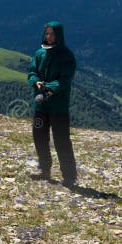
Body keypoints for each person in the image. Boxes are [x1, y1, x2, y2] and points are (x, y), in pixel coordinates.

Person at [27, 21, 77, 188]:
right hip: (41, 106)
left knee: (61, 140)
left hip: (58, 107)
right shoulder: (40, 53)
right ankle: (44, 170)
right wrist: (36, 82)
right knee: (39, 136)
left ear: (59, 35)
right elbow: (32, 72)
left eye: (52, 34)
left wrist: (48, 88)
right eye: (47, 33)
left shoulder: (66, 56)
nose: (49, 36)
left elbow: (65, 80)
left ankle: (69, 176)